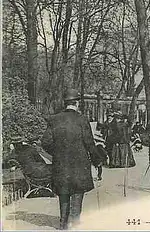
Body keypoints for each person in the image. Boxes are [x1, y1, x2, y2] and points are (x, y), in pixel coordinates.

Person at [42, 89, 100, 230]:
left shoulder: (54, 119)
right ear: (76, 103)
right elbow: (89, 143)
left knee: (63, 192)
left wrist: (57, 153)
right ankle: (74, 223)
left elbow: (45, 142)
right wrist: (97, 160)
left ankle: (63, 224)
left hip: (61, 164)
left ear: (65, 103)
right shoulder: (82, 119)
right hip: (80, 164)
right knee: (77, 192)